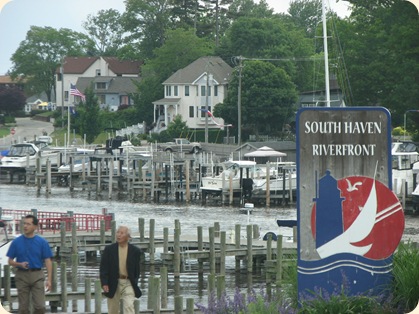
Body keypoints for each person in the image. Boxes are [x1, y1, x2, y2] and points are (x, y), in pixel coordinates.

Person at [7, 214, 53, 314]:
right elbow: (10, 261)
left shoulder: (42, 242)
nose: (25, 226)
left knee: (40, 306)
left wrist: (49, 280)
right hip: (22, 276)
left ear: (35, 227)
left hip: (37, 275)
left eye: (28, 224)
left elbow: (48, 260)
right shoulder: (16, 242)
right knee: (23, 308)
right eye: (24, 224)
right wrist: (19, 264)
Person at [100, 225, 142, 314]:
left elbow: (137, 270)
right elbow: (103, 268)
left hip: (128, 282)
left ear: (128, 237)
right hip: (113, 281)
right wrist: (104, 283)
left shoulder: (135, 251)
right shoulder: (109, 249)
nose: (118, 235)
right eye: (118, 232)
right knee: (113, 310)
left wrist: (135, 281)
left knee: (129, 307)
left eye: (122, 233)